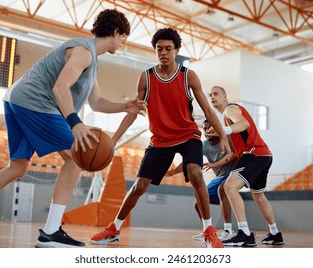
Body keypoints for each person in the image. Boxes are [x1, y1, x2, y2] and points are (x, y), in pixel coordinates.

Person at [0, 9, 147, 248]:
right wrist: (75, 123)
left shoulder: (91, 60)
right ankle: (51, 232)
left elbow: (96, 103)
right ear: (116, 32)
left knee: (17, 168)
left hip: (17, 99)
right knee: (77, 158)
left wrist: (124, 105)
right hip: (35, 102)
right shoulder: (83, 52)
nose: (122, 44)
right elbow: (60, 89)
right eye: (123, 38)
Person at [89, 27, 231, 248]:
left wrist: (222, 136)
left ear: (176, 50)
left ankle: (208, 230)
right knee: (139, 186)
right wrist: (114, 139)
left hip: (187, 135)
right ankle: (113, 228)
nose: (163, 53)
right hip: (160, 140)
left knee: (195, 173)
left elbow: (209, 111)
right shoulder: (146, 77)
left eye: (168, 49)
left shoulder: (188, 76)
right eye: (159, 49)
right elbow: (133, 111)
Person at [209, 85, 284, 247]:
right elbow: (238, 147)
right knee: (258, 195)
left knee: (229, 186)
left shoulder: (230, 109)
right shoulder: (226, 116)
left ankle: (244, 233)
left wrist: (223, 130)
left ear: (224, 97)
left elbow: (244, 124)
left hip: (254, 154)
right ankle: (275, 233)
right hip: (264, 155)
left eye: (216, 94)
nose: (212, 97)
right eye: (210, 95)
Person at [166, 119, 237, 242]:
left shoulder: (227, 139)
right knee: (199, 203)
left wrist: (214, 164)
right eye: (204, 129)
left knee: (223, 190)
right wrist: (173, 172)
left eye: (210, 128)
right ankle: (208, 230)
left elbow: (234, 154)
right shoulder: (204, 145)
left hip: (233, 174)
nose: (207, 131)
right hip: (219, 177)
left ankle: (228, 230)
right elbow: (188, 160)